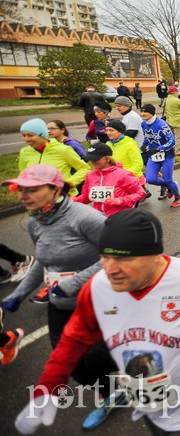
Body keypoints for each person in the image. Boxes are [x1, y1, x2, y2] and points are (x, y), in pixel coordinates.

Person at [14, 209, 180, 436]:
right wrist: (48, 387)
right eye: (105, 257)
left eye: (123, 260)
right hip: (146, 401)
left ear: (154, 255)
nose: (110, 269)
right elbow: (74, 338)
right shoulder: (98, 286)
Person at [1, 165, 120, 429]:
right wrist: (19, 295)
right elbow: (43, 263)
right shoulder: (35, 222)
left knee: (96, 358)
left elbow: (115, 256)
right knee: (73, 364)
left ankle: (143, 368)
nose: (22, 195)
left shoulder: (87, 218)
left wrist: (72, 283)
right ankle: (112, 392)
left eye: (31, 189)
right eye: (19, 189)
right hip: (61, 306)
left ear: (56, 190)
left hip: (98, 302)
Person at [19, 118, 90, 195]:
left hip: (63, 197)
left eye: (30, 135)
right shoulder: (24, 152)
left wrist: (69, 183)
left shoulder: (63, 149)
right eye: (23, 135)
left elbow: (84, 168)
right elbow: (24, 174)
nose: (26, 139)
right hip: (38, 199)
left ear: (42, 134)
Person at [73, 143, 145, 216]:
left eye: (95, 159)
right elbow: (86, 196)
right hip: (99, 218)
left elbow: (140, 193)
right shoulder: (90, 175)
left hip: (121, 217)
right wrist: (75, 200)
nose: (92, 162)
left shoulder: (123, 174)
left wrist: (119, 201)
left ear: (107, 158)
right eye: (90, 159)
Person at [140, 104, 180, 207]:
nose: (142, 114)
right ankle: (171, 186)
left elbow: (172, 141)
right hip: (153, 156)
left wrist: (158, 149)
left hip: (167, 156)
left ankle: (179, 197)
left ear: (152, 113)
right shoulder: (143, 124)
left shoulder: (161, 124)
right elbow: (147, 136)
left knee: (168, 178)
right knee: (150, 179)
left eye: (145, 112)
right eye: (142, 111)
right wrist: (144, 144)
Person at [105, 120, 146, 198]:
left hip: (133, 181)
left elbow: (138, 164)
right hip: (116, 182)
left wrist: (123, 176)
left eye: (111, 130)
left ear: (120, 131)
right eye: (107, 130)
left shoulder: (129, 144)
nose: (108, 133)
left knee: (128, 208)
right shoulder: (108, 145)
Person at [164, 86, 180, 155]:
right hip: (177, 121)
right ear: (174, 92)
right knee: (179, 137)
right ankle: (178, 151)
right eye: (177, 92)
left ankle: (172, 150)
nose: (178, 93)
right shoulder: (176, 100)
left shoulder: (167, 99)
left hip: (169, 120)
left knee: (172, 137)